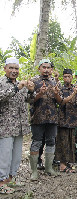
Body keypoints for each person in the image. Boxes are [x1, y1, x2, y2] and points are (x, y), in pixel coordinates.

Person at [0, 58, 34, 194]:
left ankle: (10, 179)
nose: (14, 71)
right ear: (5, 69)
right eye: (11, 68)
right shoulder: (1, 83)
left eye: (16, 69)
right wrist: (16, 87)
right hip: (5, 126)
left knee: (16, 155)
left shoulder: (21, 84)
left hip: (20, 126)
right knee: (5, 154)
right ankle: (1, 181)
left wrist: (31, 91)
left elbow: (30, 100)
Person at [29, 59, 61, 180]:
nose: (46, 70)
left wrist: (57, 94)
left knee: (51, 141)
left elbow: (60, 101)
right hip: (37, 117)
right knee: (36, 142)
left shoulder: (55, 82)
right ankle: (34, 171)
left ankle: (49, 168)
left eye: (48, 67)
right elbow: (29, 100)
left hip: (52, 118)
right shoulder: (33, 81)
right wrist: (39, 94)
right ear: (39, 68)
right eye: (44, 67)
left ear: (51, 69)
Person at [54, 69, 77, 173]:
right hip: (63, 119)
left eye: (69, 76)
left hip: (72, 119)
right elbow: (61, 102)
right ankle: (62, 165)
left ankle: (68, 163)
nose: (67, 78)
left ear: (72, 77)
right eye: (65, 76)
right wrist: (73, 94)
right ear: (63, 78)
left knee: (71, 141)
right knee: (63, 141)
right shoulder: (60, 89)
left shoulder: (74, 89)